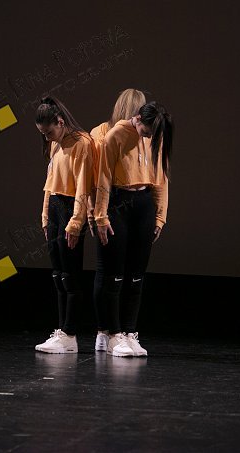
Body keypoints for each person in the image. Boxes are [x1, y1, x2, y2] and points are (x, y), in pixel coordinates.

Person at [93, 100, 173, 357]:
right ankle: (114, 334)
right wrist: (101, 216)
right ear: (138, 119)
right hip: (119, 203)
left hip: (143, 203)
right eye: (146, 132)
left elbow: (161, 177)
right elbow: (103, 176)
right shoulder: (115, 135)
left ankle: (130, 333)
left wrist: (159, 217)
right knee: (115, 274)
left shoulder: (156, 136)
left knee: (137, 275)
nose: (148, 137)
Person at [34, 96, 95, 354]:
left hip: (71, 209)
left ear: (60, 122)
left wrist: (76, 222)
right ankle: (61, 331)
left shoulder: (83, 143)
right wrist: (45, 216)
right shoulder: (55, 145)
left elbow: (83, 186)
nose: (47, 138)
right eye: (43, 134)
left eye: (48, 132)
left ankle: (70, 334)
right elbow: (49, 183)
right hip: (56, 208)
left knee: (70, 275)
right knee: (58, 274)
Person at [88, 89, 147, 352]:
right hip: (111, 201)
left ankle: (124, 332)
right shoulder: (102, 133)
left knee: (130, 272)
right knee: (108, 271)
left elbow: (158, 176)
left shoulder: (144, 136)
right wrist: (94, 211)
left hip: (136, 203)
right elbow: (95, 176)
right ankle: (106, 331)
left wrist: (159, 215)